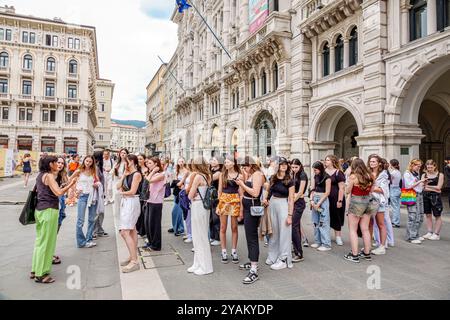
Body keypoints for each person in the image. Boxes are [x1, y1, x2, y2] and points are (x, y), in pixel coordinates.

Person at [30, 156, 76, 283]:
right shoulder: (49, 176)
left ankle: (35, 269)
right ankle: (42, 273)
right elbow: (59, 192)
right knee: (48, 243)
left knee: (40, 241)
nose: (58, 164)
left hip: (39, 210)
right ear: (51, 164)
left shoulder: (40, 175)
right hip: (49, 210)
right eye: (56, 162)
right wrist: (71, 184)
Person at [236, 156, 265, 283]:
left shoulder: (257, 174)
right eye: (243, 167)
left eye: (245, 166)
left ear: (251, 165)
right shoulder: (250, 174)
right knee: (248, 236)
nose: (244, 169)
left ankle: (254, 269)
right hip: (247, 207)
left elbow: (255, 193)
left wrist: (242, 183)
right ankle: (252, 260)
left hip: (253, 208)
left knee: (252, 237)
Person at [343, 158, 377, 263]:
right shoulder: (370, 176)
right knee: (365, 229)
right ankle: (367, 253)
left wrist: (347, 181)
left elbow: (348, 191)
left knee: (353, 229)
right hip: (368, 202)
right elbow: (372, 190)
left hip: (356, 202)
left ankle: (354, 255)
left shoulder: (353, 177)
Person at [263, 157, 294, 270]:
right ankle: (273, 255)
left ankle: (284, 259)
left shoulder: (290, 180)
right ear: (277, 166)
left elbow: (291, 198)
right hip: (272, 205)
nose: (284, 166)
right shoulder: (273, 178)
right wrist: (266, 199)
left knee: (284, 233)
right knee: (273, 232)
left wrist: (290, 215)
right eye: (281, 164)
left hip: (283, 205)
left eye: (285, 164)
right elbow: (269, 190)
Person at [187, 157, 214, 276]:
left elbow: (190, 195)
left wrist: (192, 193)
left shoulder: (198, 177)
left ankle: (205, 267)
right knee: (200, 235)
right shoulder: (208, 176)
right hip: (203, 207)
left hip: (198, 205)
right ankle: (197, 263)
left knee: (200, 236)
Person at [117, 154, 142, 273]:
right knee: (132, 230)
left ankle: (134, 261)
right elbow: (118, 186)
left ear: (131, 162)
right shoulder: (128, 174)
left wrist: (122, 193)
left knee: (124, 232)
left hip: (131, 202)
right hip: (126, 202)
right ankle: (132, 256)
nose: (124, 164)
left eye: (125, 161)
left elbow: (132, 191)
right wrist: (123, 176)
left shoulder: (137, 174)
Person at [216, 155, 243, 264]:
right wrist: (219, 204)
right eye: (225, 162)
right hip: (224, 201)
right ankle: (223, 251)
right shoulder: (223, 174)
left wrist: (241, 207)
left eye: (227, 162)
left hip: (235, 201)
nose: (226, 164)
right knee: (223, 227)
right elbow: (219, 191)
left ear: (233, 163)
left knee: (234, 227)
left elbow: (241, 192)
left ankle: (234, 250)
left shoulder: (240, 175)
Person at [73, 155, 101, 248]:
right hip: (82, 197)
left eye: (90, 161)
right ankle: (81, 242)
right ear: (84, 161)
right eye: (87, 161)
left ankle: (89, 239)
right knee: (80, 220)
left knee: (91, 219)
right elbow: (70, 180)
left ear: (92, 163)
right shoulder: (79, 171)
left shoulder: (93, 171)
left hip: (92, 197)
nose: (88, 163)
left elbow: (98, 181)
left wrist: (96, 184)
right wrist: (76, 190)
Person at [367, 155, 390, 255]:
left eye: (374, 162)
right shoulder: (368, 173)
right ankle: (369, 244)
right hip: (368, 201)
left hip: (379, 201)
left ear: (379, 163)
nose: (371, 163)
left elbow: (383, 190)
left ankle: (382, 246)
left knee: (380, 223)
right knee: (369, 223)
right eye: (370, 161)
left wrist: (370, 187)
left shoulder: (383, 174)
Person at [144, 157, 166, 251]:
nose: (147, 165)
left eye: (149, 163)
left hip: (156, 202)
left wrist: (152, 172)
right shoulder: (150, 173)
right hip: (149, 200)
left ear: (156, 164)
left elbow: (148, 180)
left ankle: (156, 245)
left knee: (155, 224)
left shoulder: (162, 174)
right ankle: (150, 241)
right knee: (148, 223)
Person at [309, 161, 332, 251]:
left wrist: (318, 203)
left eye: (316, 170)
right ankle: (317, 241)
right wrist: (311, 200)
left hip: (323, 199)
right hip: (315, 197)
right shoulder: (315, 176)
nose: (314, 172)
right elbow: (313, 189)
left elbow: (327, 192)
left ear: (320, 169)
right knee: (315, 221)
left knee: (323, 222)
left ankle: (326, 244)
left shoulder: (327, 178)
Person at [324, 155, 346, 246]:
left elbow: (342, 188)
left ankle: (338, 237)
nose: (326, 161)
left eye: (328, 160)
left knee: (336, 217)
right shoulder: (323, 172)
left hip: (336, 198)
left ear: (333, 161)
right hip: (325, 198)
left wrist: (340, 201)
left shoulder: (338, 173)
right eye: (325, 160)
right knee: (326, 217)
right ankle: (326, 235)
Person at [404, 159, 426, 244]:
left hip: (419, 195)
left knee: (420, 216)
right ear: (412, 165)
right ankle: (410, 237)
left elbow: (418, 186)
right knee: (412, 216)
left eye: (420, 166)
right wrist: (420, 181)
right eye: (417, 166)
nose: (419, 168)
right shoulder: (407, 173)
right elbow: (408, 186)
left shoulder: (416, 173)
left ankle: (415, 234)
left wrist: (424, 184)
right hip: (412, 195)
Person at [421, 160, 444, 241]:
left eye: (431, 167)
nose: (429, 168)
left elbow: (439, 187)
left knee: (437, 215)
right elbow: (422, 186)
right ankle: (429, 232)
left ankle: (436, 234)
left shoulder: (440, 175)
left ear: (435, 166)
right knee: (428, 214)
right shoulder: (424, 175)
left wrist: (427, 187)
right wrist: (433, 188)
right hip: (426, 196)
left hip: (436, 197)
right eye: (428, 167)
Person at [290, 158, 308, 262]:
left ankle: (299, 253)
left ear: (300, 166)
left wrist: (292, 200)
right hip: (294, 201)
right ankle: (296, 248)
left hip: (299, 203)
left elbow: (301, 191)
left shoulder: (302, 175)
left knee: (294, 226)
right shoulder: (293, 174)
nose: (294, 169)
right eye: (292, 167)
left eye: (296, 167)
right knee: (295, 226)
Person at [169, 158, 187, 236]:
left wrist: (180, 184)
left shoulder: (187, 171)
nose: (181, 163)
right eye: (179, 161)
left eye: (182, 161)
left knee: (177, 211)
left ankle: (180, 229)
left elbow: (186, 182)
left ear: (184, 162)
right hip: (176, 192)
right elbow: (174, 181)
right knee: (176, 211)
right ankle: (176, 227)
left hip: (183, 193)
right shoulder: (176, 171)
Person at [209, 157, 223, 246]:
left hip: (216, 196)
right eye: (212, 160)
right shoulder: (211, 170)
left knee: (216, 218)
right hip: (210, 196)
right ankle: (212, 236)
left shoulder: (219, 172)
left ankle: (218, 238)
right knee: (211, 217)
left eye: (215, 160)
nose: (212, 161)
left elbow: (209, 179)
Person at [113, 149, 129, 218]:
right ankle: (118, 225)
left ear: (127, 154)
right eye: (121, 153)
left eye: (124, 153)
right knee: (117, 205)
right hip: (117, 184)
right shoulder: (117, 163)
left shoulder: (128, 164)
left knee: (124, 205)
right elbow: (113, 175)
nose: (122, 154)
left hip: (125, 184)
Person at [136, 154, 148, 237]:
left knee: (144, 212)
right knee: (138, 212)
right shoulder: (136, 169)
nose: (139, 160)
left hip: (145, 192)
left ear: (144, 160)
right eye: (138, 159)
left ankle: (143, 230)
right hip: (137, 191)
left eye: (141, 159)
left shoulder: (148, 169)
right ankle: (138, 229)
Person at [389, 159, 402, 228]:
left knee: (394, 207)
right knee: (397, 207)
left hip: (393, 189)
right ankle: (397, 221)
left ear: (391, 164)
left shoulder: (393, 173)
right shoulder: (398, 172)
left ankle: (395, 222)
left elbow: (389, 181)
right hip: (398, 189)